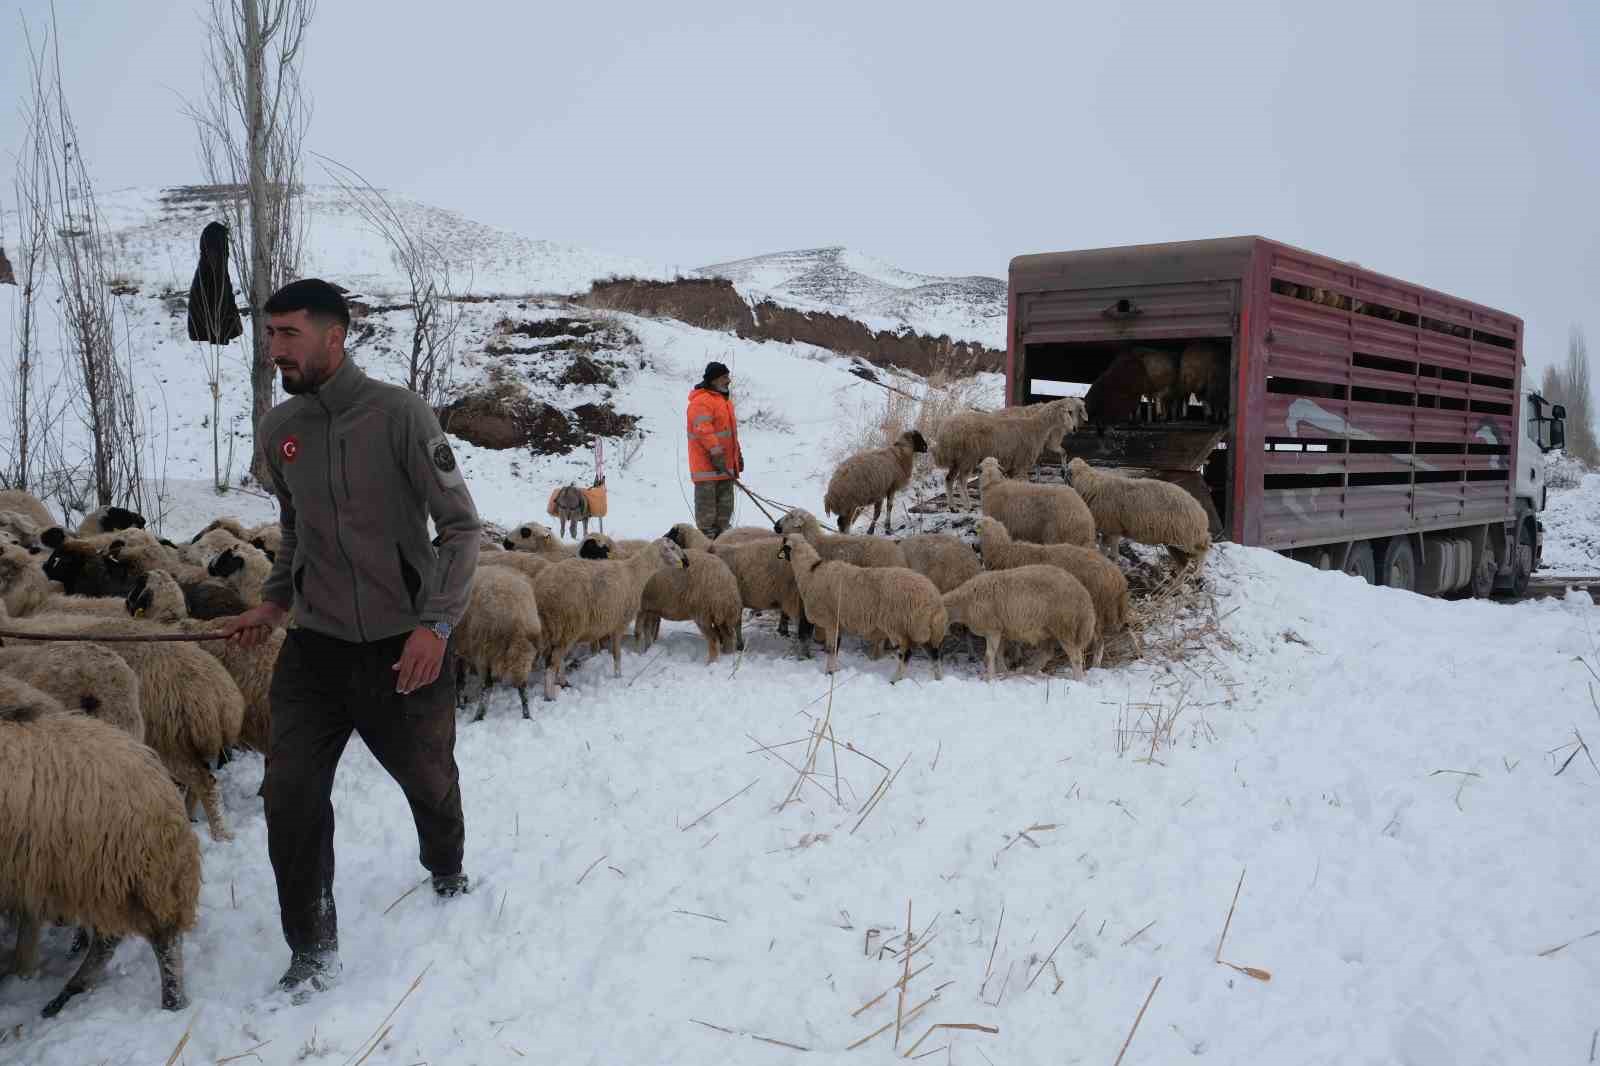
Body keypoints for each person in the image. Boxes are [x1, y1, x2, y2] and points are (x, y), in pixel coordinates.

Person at [221, 278, 481, 1003]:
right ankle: (310, 943)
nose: (274, 349)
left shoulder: (399, 416)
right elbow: (296, 529)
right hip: (316, 648)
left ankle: (447, 863)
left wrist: (435, 625)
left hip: (405, 646)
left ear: (334, 337)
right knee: (290, 793)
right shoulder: (280, 430)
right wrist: (274, 604)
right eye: (270, 335)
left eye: (288, 335)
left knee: (429, 779)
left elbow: (460, 530)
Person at [686, 360, 743, 539]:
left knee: (724, 518)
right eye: (725, 377)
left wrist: (737, 456)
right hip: (707, 469)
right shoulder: (701, 401)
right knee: (707, 519)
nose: (728, 381)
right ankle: (706, 552)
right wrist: (715, 452)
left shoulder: (724, 402)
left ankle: (723, 545)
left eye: (728, 376)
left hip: (725, 469)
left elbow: (730, 434)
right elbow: (703, 430)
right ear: (714, 380)